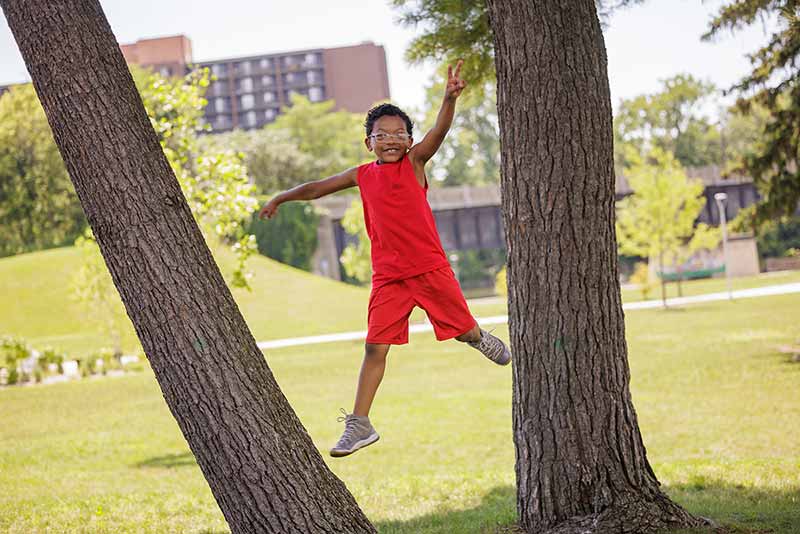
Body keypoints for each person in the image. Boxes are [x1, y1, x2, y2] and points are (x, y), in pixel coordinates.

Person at [258, 60, 511, 458]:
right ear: (369, 142)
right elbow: (317, 188)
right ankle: (360, 424)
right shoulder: (362, 175)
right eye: (382, 135)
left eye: (399, 134)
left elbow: (438, 134)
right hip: (389, 279)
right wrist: (281, 197)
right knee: (374, 348)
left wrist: (448, 99)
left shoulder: (414, 164)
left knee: (461, 332)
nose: (391, 140)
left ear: (409, 141)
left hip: (430, 270)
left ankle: (479, 336)